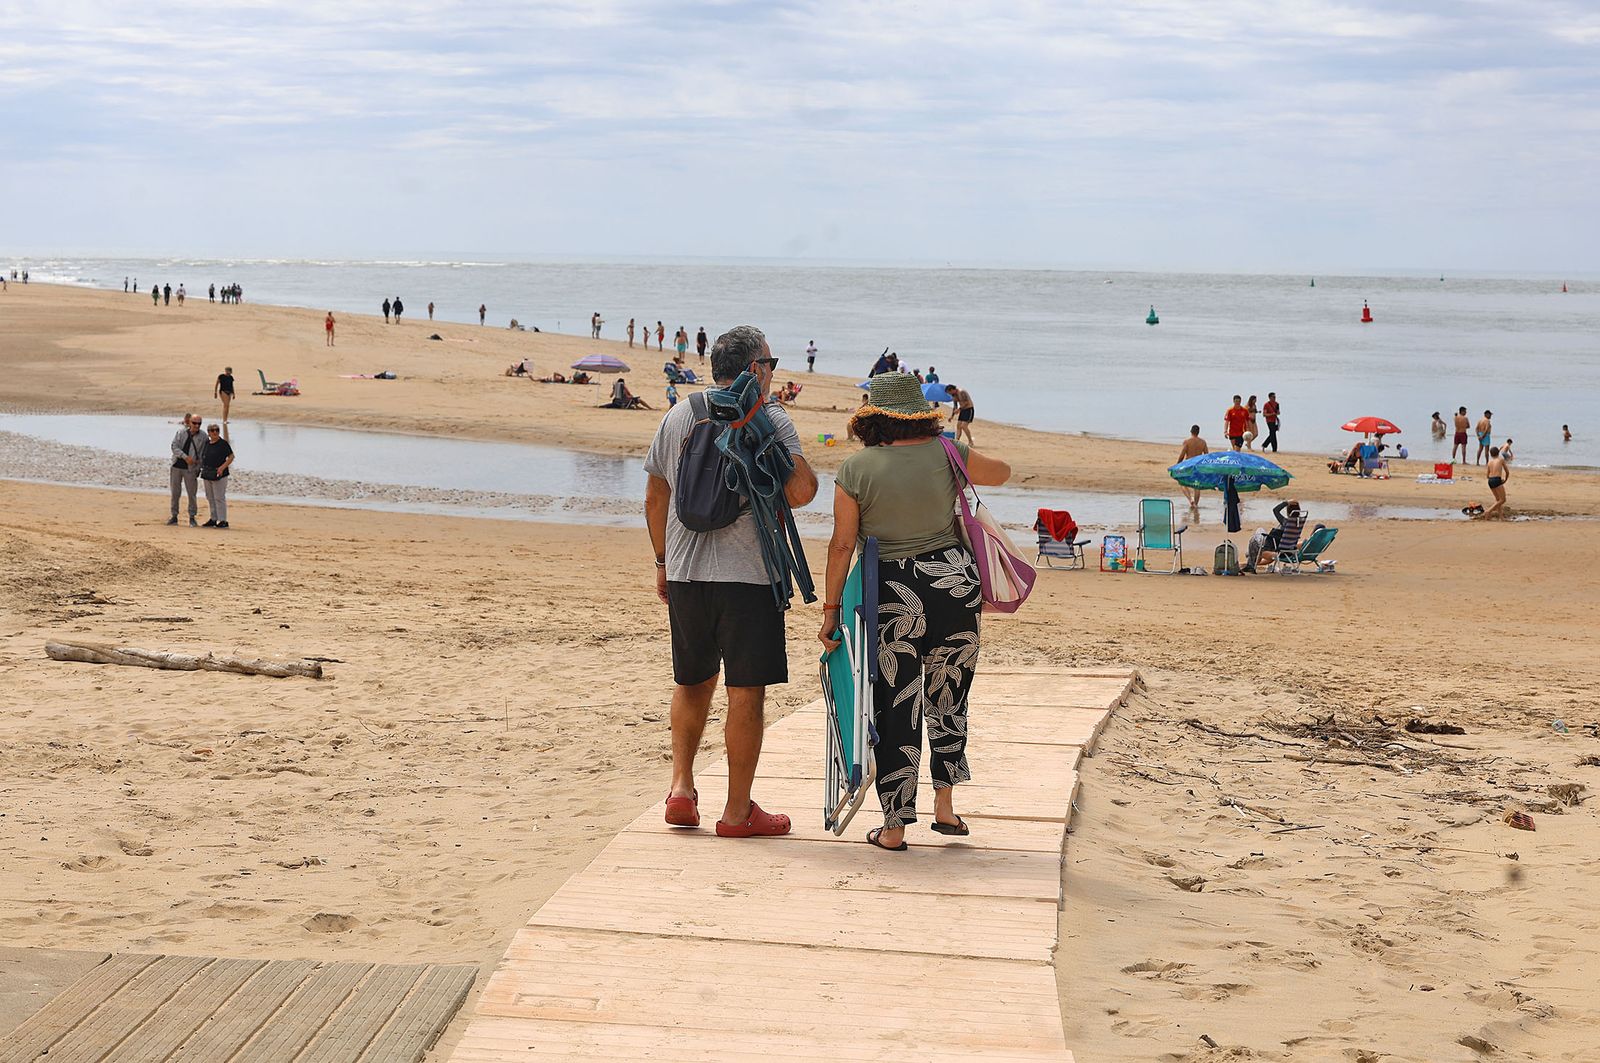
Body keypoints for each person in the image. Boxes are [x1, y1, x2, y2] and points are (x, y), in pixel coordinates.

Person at [821, 372, 1011, 851]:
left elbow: (843, 545)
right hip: (953, 585)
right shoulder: (948, 454)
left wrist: (829, 612)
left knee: (895, 704)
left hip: (892, 591)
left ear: (873, 420)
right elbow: (1003, 472)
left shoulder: (855, 470)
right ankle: (945, 806)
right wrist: (950, 453)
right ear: (921, 417)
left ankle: (894, 826)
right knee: (948, 695)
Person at [644, 325, 819, 838]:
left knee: (692, 681)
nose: (772, 371)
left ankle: (680, 788)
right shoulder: (772, 419)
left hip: (685, 574)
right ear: (753, 369)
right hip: (749, 578)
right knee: (746, 692)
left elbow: (656, 496)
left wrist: (661, 561)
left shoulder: (680, 415)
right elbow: (803, 492)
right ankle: (737, 812)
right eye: (770, 362)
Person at [167, 414, 204, 526]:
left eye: (199, 423)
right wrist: (185, 457)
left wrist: (198, 466)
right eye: (194, 423)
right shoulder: (181, 433)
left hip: (191, 469)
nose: (196, 426)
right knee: (175, 492)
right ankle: (174, 516)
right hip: (177, 466)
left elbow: (203, 453)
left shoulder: (203, 436)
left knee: (192, 494)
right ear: (189, 423)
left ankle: (192, 517)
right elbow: (174, 447)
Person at [200, 424, 234, 528]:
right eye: (212, 430)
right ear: (209, 432)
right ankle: (213, 518)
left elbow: (231, 457)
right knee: (210, 497)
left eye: (217, 430)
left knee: (219, 497)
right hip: (207, 473)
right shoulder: (206, 443)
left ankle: (223, 520)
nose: (215, 432)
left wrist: (222, 468)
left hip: (220, 474)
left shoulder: (223, 443)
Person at [1176, 425, 1208, 507]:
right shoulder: (1203, 442)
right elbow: (1206, 456)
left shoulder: (1187, 442)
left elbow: (1182, 454)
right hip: (1198, 466)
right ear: (1198, 432)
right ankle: (1196, 504)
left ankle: (1190, 500)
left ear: (1191, 431)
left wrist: (1178, 464)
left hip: (1188, 465)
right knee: (1196, 485)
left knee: (1182, 483)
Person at [1483, 446, 1510, 519]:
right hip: (1496, 479)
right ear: (1498, 453)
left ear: (1491, 454)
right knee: (1503, 500)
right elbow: (1507, 471)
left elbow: (1487, 475)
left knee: (1498, 500)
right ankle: (1489, 511)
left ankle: (1501, 517)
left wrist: (1493, 478)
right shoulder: (1501, 460)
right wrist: (1505, 480)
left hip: (1490, 481)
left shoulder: (1489, 462)